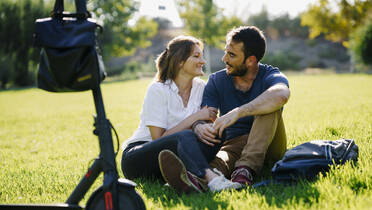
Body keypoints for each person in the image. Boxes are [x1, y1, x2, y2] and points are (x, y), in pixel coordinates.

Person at [158, 26, 290, 191]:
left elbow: (281, 95)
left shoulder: (270, 75)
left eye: (232, 55)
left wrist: (238, 112)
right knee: (219, 161)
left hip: (270, 144)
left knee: (269, 104)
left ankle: (245, 170)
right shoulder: (217, 80)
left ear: (250, 60)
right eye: (226, 52)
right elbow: (207, 113)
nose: (224, 59)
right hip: (234, 144)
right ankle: (192, 179)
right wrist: (199, 126)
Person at [121, 35, 241, 193]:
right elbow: (160, 139)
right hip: (139, 158)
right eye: (196, 56)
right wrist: (196, 118)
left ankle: (183, 177)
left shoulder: (201, 88)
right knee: (185, 136)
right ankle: (211, 180)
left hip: (177, 155)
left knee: (218, 131)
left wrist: (206, 126)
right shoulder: (158, 89)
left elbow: (209, 119)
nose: (202, 61)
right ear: (180, 62)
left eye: (202, 56)